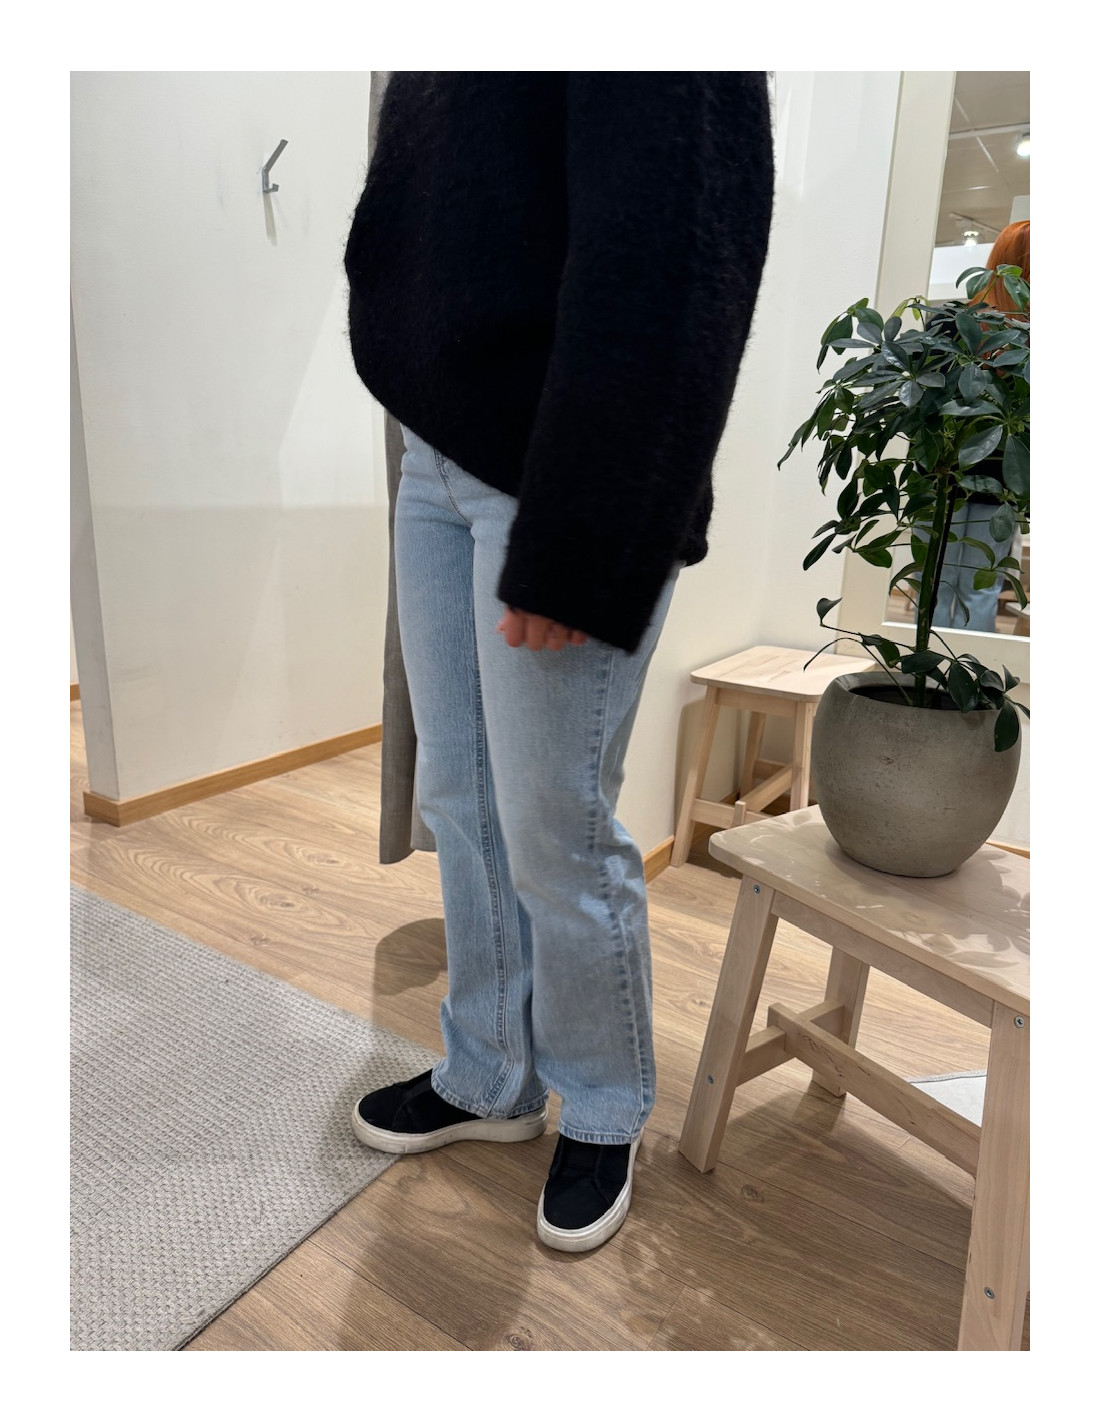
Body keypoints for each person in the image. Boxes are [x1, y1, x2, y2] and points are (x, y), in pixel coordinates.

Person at [343, 72, 773, 1252]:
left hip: (554, 471)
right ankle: (488, 1073)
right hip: (435, 454)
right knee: (458, 798)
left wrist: (584, 529)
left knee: (555, 828)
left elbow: (678, 249)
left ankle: (601, 1102)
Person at [931, 219, 1030, 632]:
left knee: (938, 585)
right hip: (987, 475)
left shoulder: (949, 321)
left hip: (950, 471)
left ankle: (933, 668)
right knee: (975, 590)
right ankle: (963, 669)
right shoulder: (954, 321)